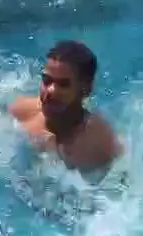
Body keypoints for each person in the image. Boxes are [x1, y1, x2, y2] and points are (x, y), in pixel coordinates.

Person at [8, 40, 123, 176]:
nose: (51, 90)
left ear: (85, 89)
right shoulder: (23, 112)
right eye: (47, 80)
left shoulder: (96, 145)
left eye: (63, 84)